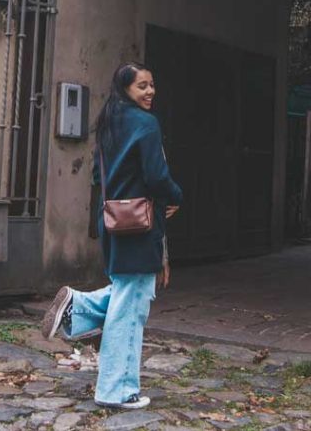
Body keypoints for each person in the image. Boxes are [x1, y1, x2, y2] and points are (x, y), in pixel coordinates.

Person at [41, 61, 182, 410]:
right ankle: (116, 390)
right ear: (126, 90)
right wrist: (176, 195)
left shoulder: (109, 124)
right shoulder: (145, 124)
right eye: (142, 86)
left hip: (114, 221)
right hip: (140, 223)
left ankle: (78, 305)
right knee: (129, 307)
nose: (150, 91)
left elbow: (95, 178)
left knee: (132, 292)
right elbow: (156, 175)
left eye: (152, 84)